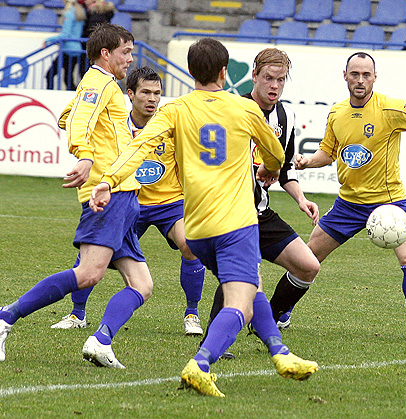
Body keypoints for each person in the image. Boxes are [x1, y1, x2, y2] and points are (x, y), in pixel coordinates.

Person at [89, 38, 318, 397]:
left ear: (191, 71)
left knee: (250, 283)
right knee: (240, 303)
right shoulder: (245, 111)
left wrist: (107, 181)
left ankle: (280, 352)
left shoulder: (174, 110)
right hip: (235, 223)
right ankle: (202, 363)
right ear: (226, 72)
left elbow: (138, 148)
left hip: (194, 227)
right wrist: (270, 170)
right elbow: (275, 153)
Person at [283, 51, 406, 344]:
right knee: (307, 258)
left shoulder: (391, 109)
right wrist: (306, 162)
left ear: (375, 77)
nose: (360, 80)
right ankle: (282, 311)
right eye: (355, 74)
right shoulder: (337, 112)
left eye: (366, 75)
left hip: (389, 204)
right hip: (347, 204)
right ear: (345, 76)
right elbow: (327, 152)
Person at [0, 23, 151, 370]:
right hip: (107, 194)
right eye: (125, 52)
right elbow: (79, 121)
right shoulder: (98, 83)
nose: (130, 58)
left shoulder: (99, 84)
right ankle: (6, 317)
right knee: (88, 274)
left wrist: (96, 140)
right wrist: (86, 154)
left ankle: (100, 342)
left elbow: (68, 116)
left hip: (125, 196)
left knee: (142, 285)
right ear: (105, 53)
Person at [50, 66, 207, 335]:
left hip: (169, 202)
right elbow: (69, 118)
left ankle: (192, 313)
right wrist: (86, 105)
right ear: (130, 94)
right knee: (92, 253)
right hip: (128, 199)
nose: (152, 99)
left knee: (190, 245)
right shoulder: (115, 123)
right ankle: (78, 314)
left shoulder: (170, 124)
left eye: (157, 93)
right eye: (145, 92)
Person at [202, 48, 321, 355]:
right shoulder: (232, 108)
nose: (275, 86)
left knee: (308, 266)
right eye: (269, 78)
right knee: (244, 273)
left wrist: (300, 198)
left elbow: (284, 170)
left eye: (281, 80)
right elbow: (213, 161)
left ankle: (265, 317)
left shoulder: (286, 116)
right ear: (254, 76)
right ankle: (214, 340)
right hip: (232, 212)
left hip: (261, 211)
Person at [45, 0, 86, 90]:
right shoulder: (80, 13)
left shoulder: (69, 14)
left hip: (68, 49)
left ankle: (49, 93)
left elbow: (65, 34)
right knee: (68, 78)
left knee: (50, 74)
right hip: (76, 49)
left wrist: (48, 40)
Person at [78, 0, 115, 77]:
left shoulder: (95, 14)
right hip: (95, 48)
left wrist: (83, 40)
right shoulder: (104, 13)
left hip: (90, 48)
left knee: (86, 72)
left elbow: (91, 32)